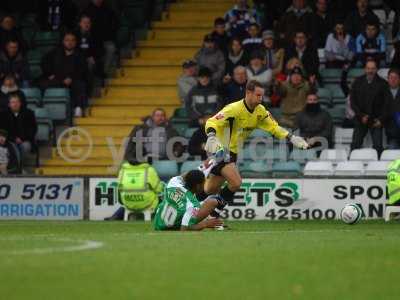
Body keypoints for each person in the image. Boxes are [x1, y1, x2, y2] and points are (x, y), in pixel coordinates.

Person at [202, 80, 308, 219]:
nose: (260, 98)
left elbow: (273, 127)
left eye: (262, 96)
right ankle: (213, 216)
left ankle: (191, 203)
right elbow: (212, 121)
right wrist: (211, 136)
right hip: (220, 150)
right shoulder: (233, 109)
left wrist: (291, 137)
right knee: (236, 183)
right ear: (248, 93)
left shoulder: (260, 111)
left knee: (210, 189)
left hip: (232, 152)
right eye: (258, 95)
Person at [154, 170, 224, 231]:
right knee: (213, 202)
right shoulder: (192, 204)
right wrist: (205, 224)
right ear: (198, 186)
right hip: (171, 228)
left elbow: (185, 175)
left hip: (157, 225)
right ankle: (198, 219)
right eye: (204, 183)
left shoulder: (173, 183)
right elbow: (184, 229)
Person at [39, 32, 88, 117]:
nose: (70, 42)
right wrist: (50, 74)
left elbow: (82, 70)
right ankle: (43, 110)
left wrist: (71, 78)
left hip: (73, 80)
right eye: (67, 40)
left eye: (72, 40)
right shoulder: (55, 53)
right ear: (63, 41)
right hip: (57, 79)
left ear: (76, 42)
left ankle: (78, 108)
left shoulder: (80, 55)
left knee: (81, 85)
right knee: (43, 84)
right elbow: (44, 62)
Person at [350, 59, 388, 155]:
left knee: (378, 146)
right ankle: (352, 166)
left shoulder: (383, 84)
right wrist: (361, 116)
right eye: (368, 68)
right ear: (364, 69)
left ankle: (379, 168)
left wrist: (380, 119)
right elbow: (353, 102)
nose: (370, 71)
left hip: (376, 120)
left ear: (376, 70)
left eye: (373, 68)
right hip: (360, 118)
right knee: (355, 145)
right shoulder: (357, 82)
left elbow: (386, 104)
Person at [83, 0, 118, 76]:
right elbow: (83, 43)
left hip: (105, 39)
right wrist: (89, 55)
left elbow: (114, 25)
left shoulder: (109, 9)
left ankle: (104, 72)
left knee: (111, 48)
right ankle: (89, 80)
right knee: (89, 60)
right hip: (90, 40)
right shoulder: (86, 10)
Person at [0, 93, 37, 158]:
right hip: (8, 140)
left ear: (20, 103)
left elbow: (33, 129)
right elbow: (2, 130)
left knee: (25, 146)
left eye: (17, 102)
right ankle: (8, 166)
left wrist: (22, 138)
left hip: (25, 140)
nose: (15, 104)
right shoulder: (3, 115)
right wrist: (13, 139)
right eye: (13, 102)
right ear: (9, 104)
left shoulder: (28, 113)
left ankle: (20, 166)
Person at [75, 14, 104, 88]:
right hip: (77, 59)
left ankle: (89, 89)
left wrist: (93, 57)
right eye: (84, 22)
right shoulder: (74, 35)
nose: (86, 24)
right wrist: (85, 58)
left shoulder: (95, 34)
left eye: (88, 23)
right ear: (80, 24)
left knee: (91, 64)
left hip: (92, 59)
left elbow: (99, 49)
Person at [384, 68, 400, 149]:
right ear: (388, 79)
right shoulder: (382, 93)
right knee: (393, 156)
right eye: (391, 77)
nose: (393, 80)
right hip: (392, 134)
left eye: (395, 78)